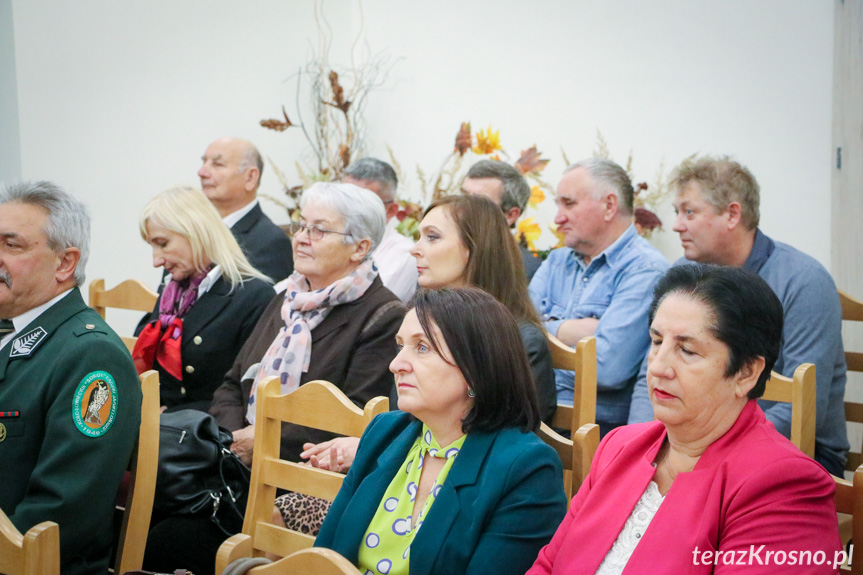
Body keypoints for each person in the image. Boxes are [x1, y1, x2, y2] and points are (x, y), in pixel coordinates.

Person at [143, 181, 404, 575]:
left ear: (360, 247)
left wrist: (260, 440)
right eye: (301, 226)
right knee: (150, 513)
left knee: (171, 541)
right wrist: (236, 440)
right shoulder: (288, 300)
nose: (302, 239)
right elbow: (231, 384)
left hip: (304, 485)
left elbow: (354, 419)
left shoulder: (381, 316)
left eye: (319, 230)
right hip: (239, 467)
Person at [528, 265, 841, 574]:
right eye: (656, 341)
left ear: (746, 372)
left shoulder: (784, 485)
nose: (659, 367)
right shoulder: (618, 448)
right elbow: (549, 565)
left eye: (687, 350)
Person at [316, 287, 567, 575]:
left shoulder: (526, 470)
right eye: (400, 347)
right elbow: (325, 556)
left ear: (476, 369)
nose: (396, 365)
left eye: (422, 348)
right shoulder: (384, 432)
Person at [627, 156, 848, 476]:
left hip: (796, 452)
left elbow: (801, 408)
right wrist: (643, 448)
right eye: (677, 212)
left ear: (732, 214)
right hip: (688, 446)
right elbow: (646, 377)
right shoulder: (683, 276)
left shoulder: (804, 281)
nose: (676, 224)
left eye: (689, 212)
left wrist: (700, 453)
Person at [0, 181, 141, 575]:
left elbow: (62, 512)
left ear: (65, 263)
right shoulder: (8, 329)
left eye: (12, 246)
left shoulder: (90, 356)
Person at [529, 158, 668, 435]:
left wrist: (541, 336)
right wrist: (570, 330)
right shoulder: (557, 260)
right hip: (533, 418)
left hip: (594, 437)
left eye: (568, 204)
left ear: (609, 206)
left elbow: (606, 370)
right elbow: (511, 337)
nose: (557, 218)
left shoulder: (646, 270)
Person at [133, 186, 274, 412]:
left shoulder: (254, 296)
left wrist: (170, 416)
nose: (156, 261)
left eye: (162, 244)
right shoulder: (173, 290)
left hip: (205, 434)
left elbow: (243, 395)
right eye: (152, 246)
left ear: (196, 232)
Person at [198, 137, 294, 281]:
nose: (202, 172)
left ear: (250, 178)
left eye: (217, 164)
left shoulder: (271, 243)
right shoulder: (193, 230)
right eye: (204, 162)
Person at [344, 157, 418, 302]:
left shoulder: (405, 255)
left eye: (360, 204)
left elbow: (366, 307)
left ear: (390, 211)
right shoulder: (324, 237)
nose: (347, 210)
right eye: (343, 199)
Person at [461, 159, 542, 279]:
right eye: (463, 196)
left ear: (510, 215)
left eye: (480, 202)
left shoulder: (528, 271)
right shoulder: (437, 251)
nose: (464, 207)